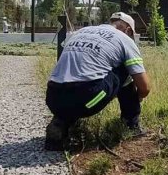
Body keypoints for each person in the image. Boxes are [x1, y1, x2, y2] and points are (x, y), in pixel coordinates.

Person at [44, 12, 151, 151]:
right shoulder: (124, 39)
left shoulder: (80, 32)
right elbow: (144, 88)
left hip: (53, 98)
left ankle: (60, 122)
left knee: (74, 91)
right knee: (126, 68)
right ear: (128, 30)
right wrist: (137, 97)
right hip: (88, 100)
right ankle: (131, 125)